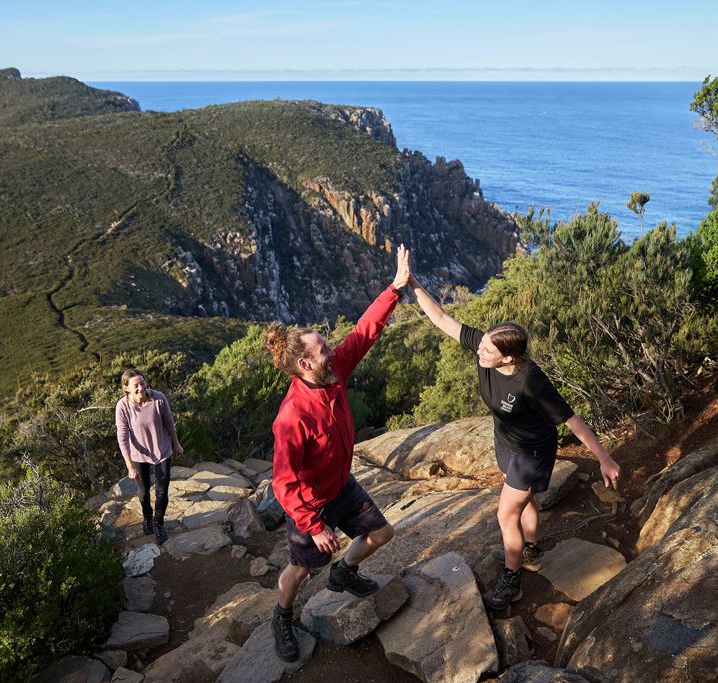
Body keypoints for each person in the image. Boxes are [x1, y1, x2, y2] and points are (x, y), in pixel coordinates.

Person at [407, 274, 621, 611]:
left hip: (532, 451)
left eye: (488, 349)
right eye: (483, 342)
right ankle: (532, 550)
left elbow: (572, 420)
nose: (480, 348)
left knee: (506, 515)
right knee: (526, 503)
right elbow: (441, 318)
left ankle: (512, 582)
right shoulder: (488, 347)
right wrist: (411, 282)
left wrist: (604, 459)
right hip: (506, 440)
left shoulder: (530, 380)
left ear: (507, 358)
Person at [264, 244, 410, 663]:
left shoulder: (334, 371)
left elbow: (364, 332)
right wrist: (312, 526)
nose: (332, 349)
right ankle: (282, 615)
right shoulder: (292, 416)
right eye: (323, 348)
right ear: (305, 365)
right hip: (309, 502)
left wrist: (394, 289)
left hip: (340, 485)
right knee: (301, 570)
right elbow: (283, 481)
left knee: (382, 534)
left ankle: (344, 572)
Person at [115, 368, 184, 545]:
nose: (140, 388)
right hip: (139, 455)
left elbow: (169, 423)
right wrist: (130, 465)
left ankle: (159, 524)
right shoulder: (123, 406)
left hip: (162, 451)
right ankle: (147, 516)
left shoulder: (158, 398)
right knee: (144, 491)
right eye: (135, 385)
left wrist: (176, 444)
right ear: (126, 388)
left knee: (162, 491)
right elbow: (122, 438)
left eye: (142, 383)